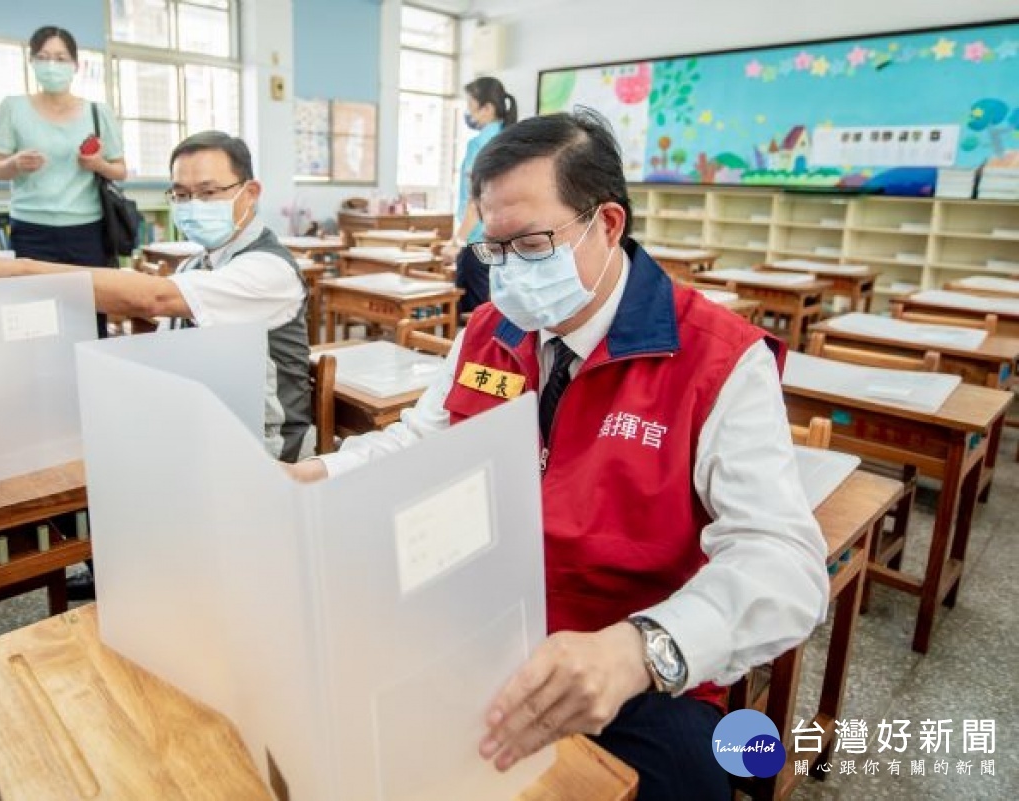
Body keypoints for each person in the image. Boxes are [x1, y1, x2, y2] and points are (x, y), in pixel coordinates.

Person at [290, 109, 828, 800]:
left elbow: (784, 562)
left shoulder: (716, 359)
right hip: (480, 623)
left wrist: (640, 649)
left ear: (607, 224)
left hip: (629, 667)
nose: (510, 273)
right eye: (494, 249)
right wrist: (320, 472)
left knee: (685, 776)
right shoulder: (491, 328)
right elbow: (426, 439)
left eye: (532, 244)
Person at [0, 130, 313, 464]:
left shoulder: (268, 270)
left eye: (208, 192)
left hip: (257, 446)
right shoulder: (196, 265)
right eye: (182, 194)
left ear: (251, 192)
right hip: (199, 422)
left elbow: (151, 299)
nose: (194, 206)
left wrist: (15, 270)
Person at [0, 26, 127, 338]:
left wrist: (97, 164)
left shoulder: (97, 112)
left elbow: (120, 171)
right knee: (32, 320)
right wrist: (15, 163)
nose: (52, 65)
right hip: (31, 230)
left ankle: (91, 375)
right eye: (44, 57)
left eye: (61, 58)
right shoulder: (13, 108)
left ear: (76, 65)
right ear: (32, 62)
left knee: (89, 316)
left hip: (86, 230)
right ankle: (39, 381)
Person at [440, 77, 517, 316]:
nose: (468, 111)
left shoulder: (481, 144)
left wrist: (456, 242)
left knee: (472, 316)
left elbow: (477, 201)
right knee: (493, 311)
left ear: (488, 108)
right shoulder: (512, 140)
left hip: (477, 243)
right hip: (505, 243)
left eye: (471, 104)